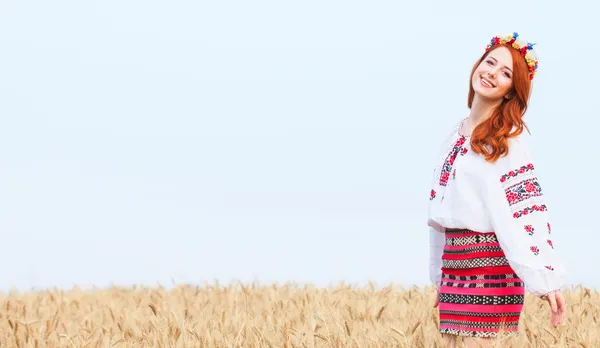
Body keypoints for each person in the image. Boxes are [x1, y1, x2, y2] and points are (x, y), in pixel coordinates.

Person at [427, 32, 567, 347]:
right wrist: (440, 274)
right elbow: (439, 213)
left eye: (506, 73)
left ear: (510, 92)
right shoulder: (455, 135)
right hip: (455, 268)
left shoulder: (506, 145)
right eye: (490, 62)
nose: (492, 72)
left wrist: (546, 280)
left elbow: (525, 211)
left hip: (490, 270)